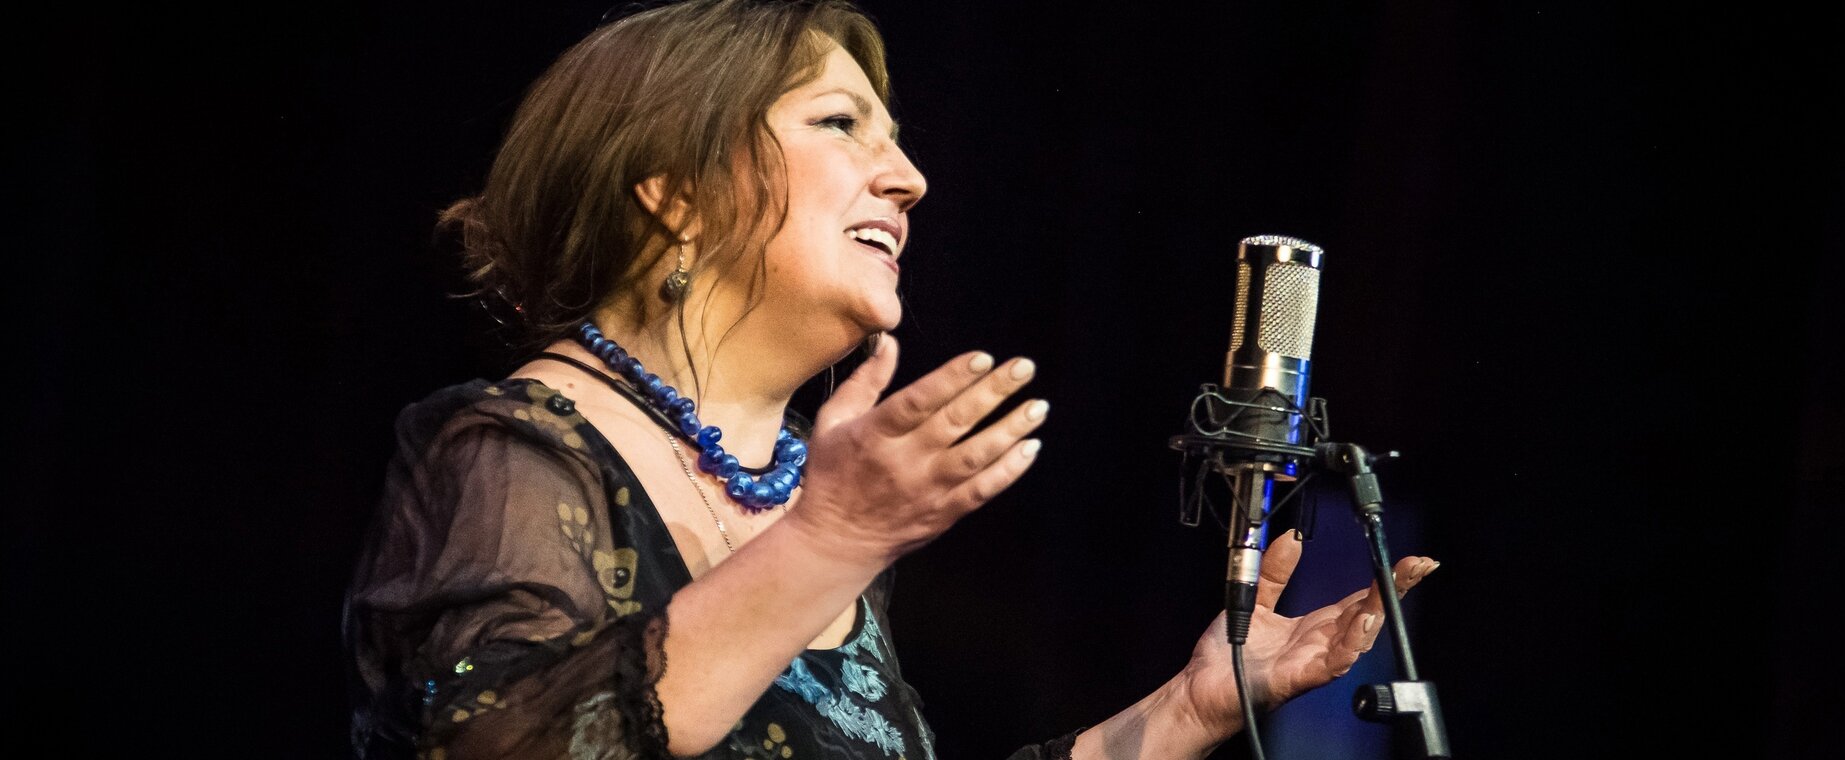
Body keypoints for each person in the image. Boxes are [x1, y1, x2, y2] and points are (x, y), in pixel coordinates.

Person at [342, 1, 1439, 758]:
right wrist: (830, 539)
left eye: (897, 140)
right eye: (839, 123)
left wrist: (1187, 713)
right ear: (672, 191)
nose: (908, 179)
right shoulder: (506, 449)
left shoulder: (810, 498)